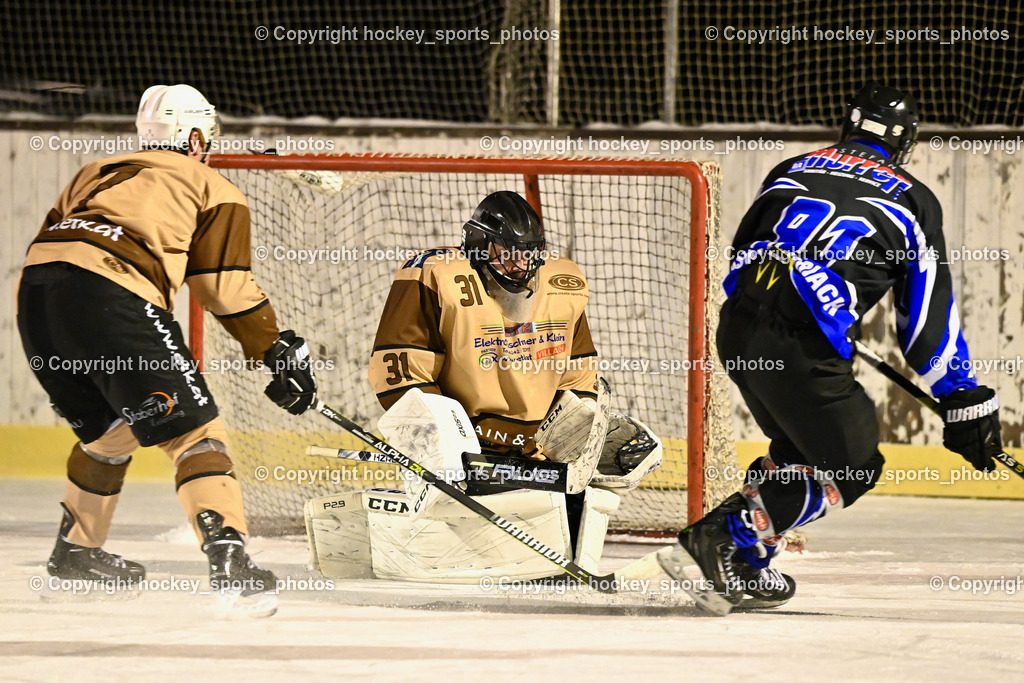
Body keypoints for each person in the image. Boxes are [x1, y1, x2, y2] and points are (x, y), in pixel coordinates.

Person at [658, 82, 1004, 616]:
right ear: (905, 142)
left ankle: (747, 560)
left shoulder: (792, 167)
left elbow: (747, 250)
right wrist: (961, 396)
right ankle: (724, 536)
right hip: (799, 343)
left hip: (738, 330)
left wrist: (808, 306)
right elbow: (925, 324)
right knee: (853, 465)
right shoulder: (913, 198)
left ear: (849, 125)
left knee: (800, 452)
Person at [18, 84, 317, 615]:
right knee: (197, 436)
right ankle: (231, 563)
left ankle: (75, 555)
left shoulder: (95, 170)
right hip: (113, 293)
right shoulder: (210, 183)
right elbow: (223, 288)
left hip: (37, 301)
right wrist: (276, 349)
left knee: (110, 434)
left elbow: (49, 248)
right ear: (196, 135)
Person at [368, 191, 659, 550]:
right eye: (506, 254)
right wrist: (442, 440)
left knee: (585, 503)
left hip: (532, 455)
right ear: (477, 245)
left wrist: (583, 436)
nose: (519, 266)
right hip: (463, 454)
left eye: (528, 254)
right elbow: (400, 373)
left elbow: (578, 378)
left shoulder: (561, 285)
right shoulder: (436, 275)